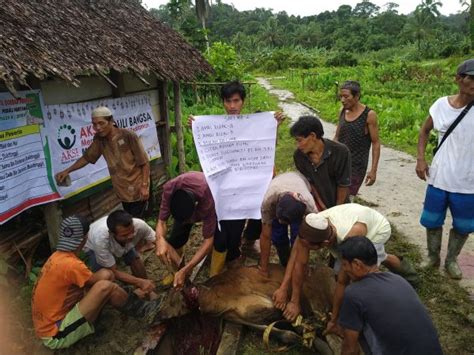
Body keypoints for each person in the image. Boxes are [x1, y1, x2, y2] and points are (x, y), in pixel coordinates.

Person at [188, 81, 285, 272]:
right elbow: (206, 152)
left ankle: (246, 243)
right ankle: (230, 254)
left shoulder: (255, 124)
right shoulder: (214, 127)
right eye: (228, 101)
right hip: (226, 188)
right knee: (227, 226)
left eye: (236, 101)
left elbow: (266, 149)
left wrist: (274, 127)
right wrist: (197, 129)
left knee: (254, 216)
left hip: (252, 185)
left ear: (243, 101)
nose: (232, 106)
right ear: (223, 102)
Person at [273, 204, 418, 327]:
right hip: (352, 219)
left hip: (377, 229)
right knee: (341, 270)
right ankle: (384, 257)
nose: (306, 249)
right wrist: (293, 300)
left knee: (362, 274)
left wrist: (336, 318)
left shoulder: (350, 238)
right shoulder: (311, 228)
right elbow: (298, 263)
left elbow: (343, 281)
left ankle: (406, 279)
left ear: (324, 244)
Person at [32, 216, 161, 350]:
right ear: (85, 238)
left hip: (52, 320)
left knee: (106, 276)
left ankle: (129, 301)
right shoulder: (71, 265)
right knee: (105, 287)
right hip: (56, 333)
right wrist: (138, 284)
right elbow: (100, 284)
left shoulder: (57, 257)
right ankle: (143, 310)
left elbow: (105, 275)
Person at [416, 58, 474, 280]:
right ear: (458, 79)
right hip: (439, 177)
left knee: (464, 225)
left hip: (468, 182)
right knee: (432, 220)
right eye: (471, 78)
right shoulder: (441, 105)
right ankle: (432, 257)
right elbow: (424, 131)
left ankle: (451, 260)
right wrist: (420, 159)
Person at [337, 237, 443, 355]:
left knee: (357, 331)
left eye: (345, 264)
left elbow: (349, 349)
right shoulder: (398, 279)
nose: (344, 269)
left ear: (357, 264)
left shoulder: (353, 293)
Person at [55, 107, 150, 218]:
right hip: (122, 190)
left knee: (137, 223)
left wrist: (144, 186)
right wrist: (67, 170)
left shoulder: (128, 135)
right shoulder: (100, 139)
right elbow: (87, 157)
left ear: (111, 121)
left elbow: (144, 163)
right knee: (130, 220)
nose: (98, 128)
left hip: (138, 187)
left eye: (101, 123)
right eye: (94, 124)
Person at [155, 172, 216, 287]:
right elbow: (161, 222)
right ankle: (176, 272)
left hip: (209, 199)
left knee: (216, 238)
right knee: (175, 240)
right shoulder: (170, 188)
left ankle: (208, 260)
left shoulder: (208, 198)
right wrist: (160, 240)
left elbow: (208, 240)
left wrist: (189, 267)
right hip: (184, 210)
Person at [84, 210, 156, 294]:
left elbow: (158, 241)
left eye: (132, 231)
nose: (130, 236)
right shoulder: (100, 240)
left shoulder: (139, 225)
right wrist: (139, 282)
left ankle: (148, 288)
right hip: (92, 246)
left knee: (134, 258)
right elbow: (113, 271)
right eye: (124, 235)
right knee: (105, 275)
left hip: (118, 242)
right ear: (112, 233)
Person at [258, 171, 318, 273]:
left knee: (299, 236)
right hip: (279, 185)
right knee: (278, 235)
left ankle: (296, 266)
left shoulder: (310, 206)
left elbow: (307, 239)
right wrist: (264, 268)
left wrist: (302, 265)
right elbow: (265, 236)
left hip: (300, 182)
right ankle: (285, 262)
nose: (282, 222)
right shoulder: (269, 201)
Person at [291, 115, 351, 210]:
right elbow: (310, 183)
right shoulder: (299, 156)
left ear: (312, 136)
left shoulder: (340, 152)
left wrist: (337, 210)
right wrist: (322, 206)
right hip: (316, 205)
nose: (298, 145)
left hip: (341, 205)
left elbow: (343, 184)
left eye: (299, 140)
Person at [334, 80, 381, 197]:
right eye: (341, 97)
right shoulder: (342, 111)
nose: (342, 100)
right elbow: (337, 137)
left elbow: (376, 143)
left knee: (347, 200)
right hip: (339, 164)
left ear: (357, 96)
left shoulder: (369, 115)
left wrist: (373, 170)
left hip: (356, 167)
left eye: (346, 96)